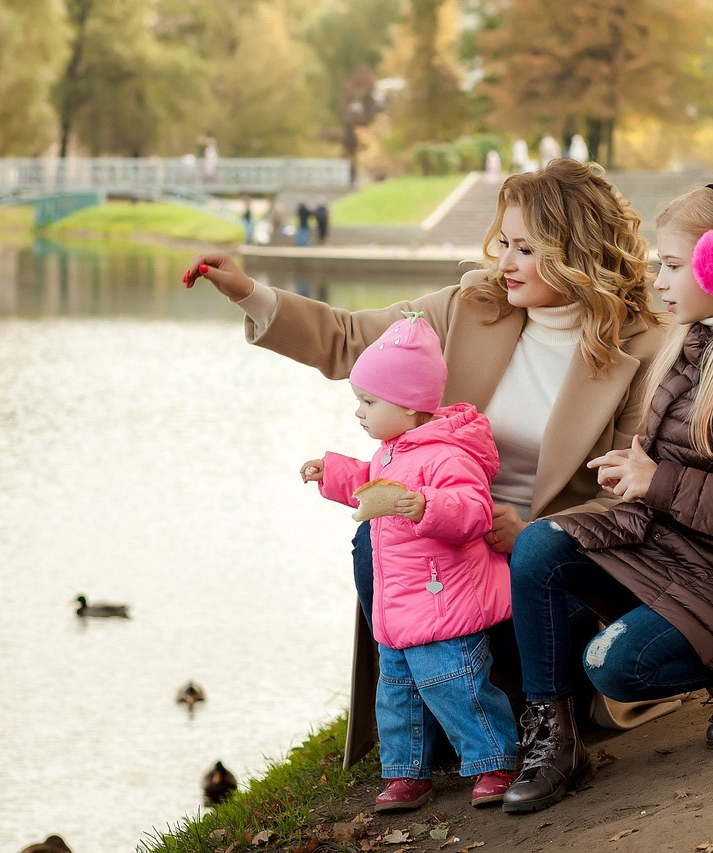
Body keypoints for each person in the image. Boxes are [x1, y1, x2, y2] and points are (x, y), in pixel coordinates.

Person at [182, 157, 668, 767]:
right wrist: (249, 293)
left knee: (534, 569)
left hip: (552, 560)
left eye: (525, 248)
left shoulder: (643, 347)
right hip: (449, 535)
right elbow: (349, 339)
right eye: (504, 243)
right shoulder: (469, 308)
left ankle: (527, 707)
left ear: (578, 253)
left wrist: (535, 534)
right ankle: (422, 726)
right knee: (373, 540)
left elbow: (628, 492)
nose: (505, 262)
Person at [498, 182, 713, 814]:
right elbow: (678, 468)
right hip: (667, 551)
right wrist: (635, 470)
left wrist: (660, 482)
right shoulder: (694, 338)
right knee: (538, 548)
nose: (658, 279)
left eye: (673, 265)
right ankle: (555, 739)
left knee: (615, 668)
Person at [301, 312, 519, 811]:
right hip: (398, 606)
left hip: (442, 603)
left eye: (368, 402)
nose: (359, 413)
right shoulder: (388, 452)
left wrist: (427, 506)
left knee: (458, 686)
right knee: (396, 695)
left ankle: (494, 760)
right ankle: (406, 772)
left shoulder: (448, 456)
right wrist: (332, 473)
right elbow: (373, 488)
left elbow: (473, 511)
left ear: (409, 405)